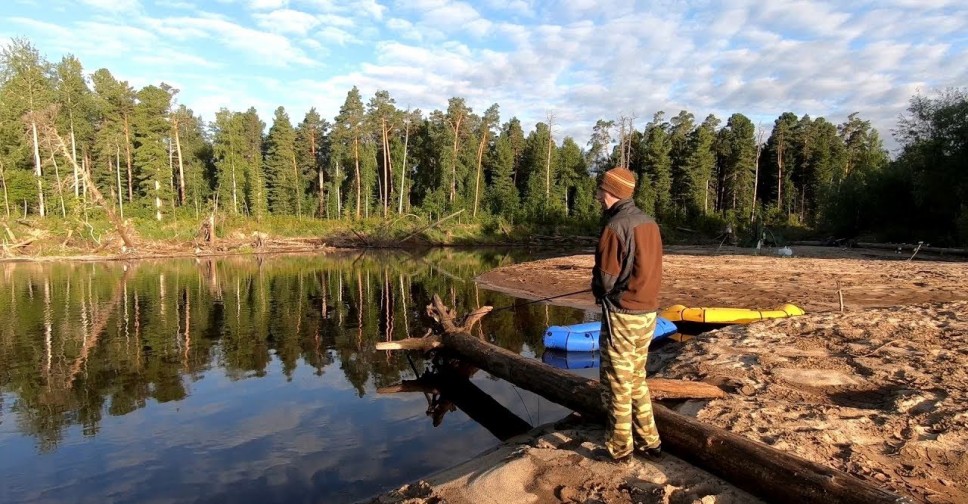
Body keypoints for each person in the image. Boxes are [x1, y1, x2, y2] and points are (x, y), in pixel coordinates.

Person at [591, 167, 663, 463]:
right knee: (635, 378)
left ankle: (620, 449)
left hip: (623, 315)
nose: (597, 195)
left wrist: (596, 288)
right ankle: (650, 442)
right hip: (648, 314)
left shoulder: (615, 227)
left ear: (610, 193)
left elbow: (606, 280)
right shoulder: (649, 223)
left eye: (600, 189)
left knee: (618, 382)